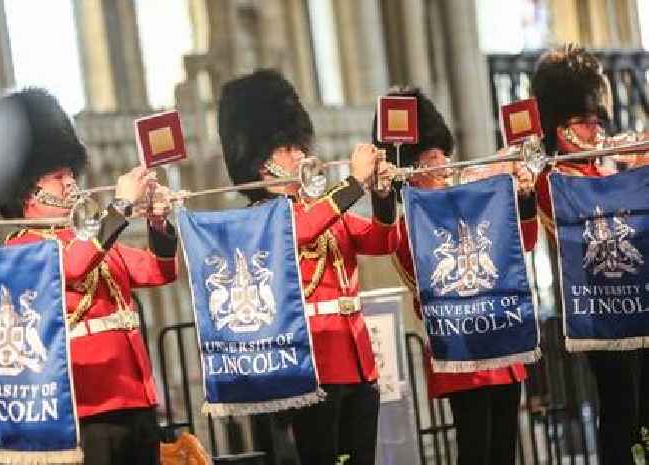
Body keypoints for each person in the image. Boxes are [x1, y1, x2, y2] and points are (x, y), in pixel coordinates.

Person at [217, 69, 399, 465]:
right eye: (288, 147)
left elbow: (382, 241)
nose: (301, 153)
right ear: (262, 162)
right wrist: (352, 182)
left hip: (356, 360)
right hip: (308, 366)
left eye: (299, 144)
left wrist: (384, 196)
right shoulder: (258, 219)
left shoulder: (318, 210)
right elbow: (298, 231)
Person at [0, 87, 178, 465]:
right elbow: (74, 267)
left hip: (136, 398)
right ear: (28, 191)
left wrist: (158, 222)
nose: (72, 184)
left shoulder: (89, 240)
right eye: (60, 176)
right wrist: (121, 206)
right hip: (88, 406)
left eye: (72, 173)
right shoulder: (21, 248)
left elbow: (160, 271)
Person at [374, 87, 538, 465]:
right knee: (475, 451)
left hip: (501, 344)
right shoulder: (407, 227)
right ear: (413, 173)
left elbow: (524, 242)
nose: (446, 165)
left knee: (503, 451)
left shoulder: (477, 209)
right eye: (433, 157)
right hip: (461, 348)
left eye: (445, 155)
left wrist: (524, 196)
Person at [532, 45, 640, 465]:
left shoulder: (609, 165)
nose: (596, 129)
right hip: (597, 306)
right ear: (561, 126)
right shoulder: (554, 178)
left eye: (597, 120)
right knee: (618, 407)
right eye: (585, 121)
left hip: (637, 297)